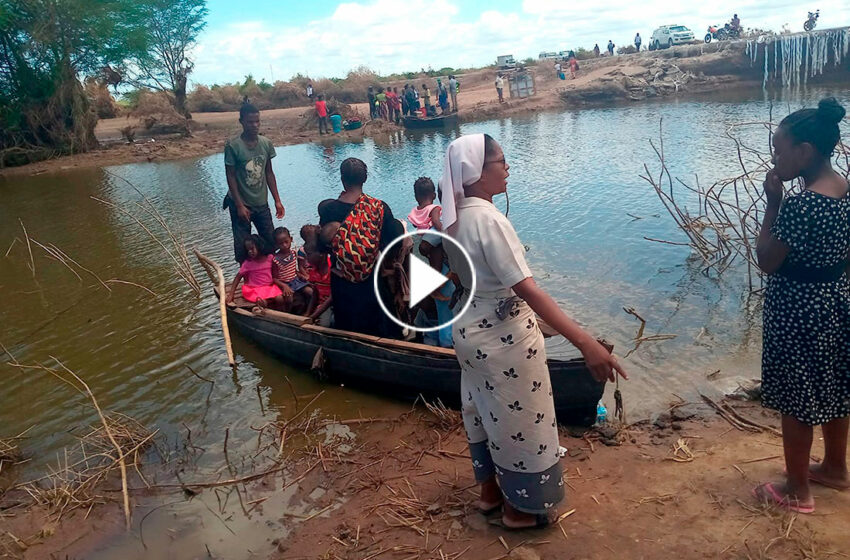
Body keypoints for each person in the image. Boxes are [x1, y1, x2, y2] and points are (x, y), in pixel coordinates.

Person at [439, 134, 627, 529]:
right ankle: (520, 509)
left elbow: (462, 277)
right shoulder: (490, 219)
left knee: (482, 410)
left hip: (469, 331)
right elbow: (527, 290)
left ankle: (490, 494)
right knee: (521, 419)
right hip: (505, 340)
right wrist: (585, 342)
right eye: (500, 162)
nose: (507, 168)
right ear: (475, 172)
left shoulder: (452, 217)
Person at [753, 98, 850, 514]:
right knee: (834, 387)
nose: (775, 156)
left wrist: (773, 203)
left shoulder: (801, 204)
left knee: (797, 401)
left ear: (805, 152)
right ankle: (834, 468)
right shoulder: (844, 189)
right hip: (835, 302)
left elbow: (768, 261)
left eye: (779, 148)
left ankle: (797, 491)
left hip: (797, 311)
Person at [317, 158, 403, 337]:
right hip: (372, 278)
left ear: (342, 179)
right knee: (380, 326)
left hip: (343, 281)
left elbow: (323, 246)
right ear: (364, 179)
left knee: (349, 329)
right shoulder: (379, 207)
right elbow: (394, 240)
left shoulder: (329, 210)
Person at [223, 103, 284, 264]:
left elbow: (269, 173)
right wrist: (239, 205)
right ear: (241, 122)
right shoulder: (233, 146)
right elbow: (230, 176)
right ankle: (247, 280)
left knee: (271, 242)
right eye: (250, 122)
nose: (254, 125)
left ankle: (270, 276)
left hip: (261, 202)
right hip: (240, 203)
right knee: (243, 245)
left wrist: (277, 200)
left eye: (257, 121)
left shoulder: (265, 143)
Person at [226, 234, 286, 309]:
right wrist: (231, 294)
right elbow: (238, 277)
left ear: (259, 246)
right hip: (254, 289)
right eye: (248, 250)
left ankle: (282, 313)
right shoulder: (248, 263)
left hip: (269, 287)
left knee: (280, 299)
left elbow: (278, 270)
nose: (250, 252)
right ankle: (267, 316)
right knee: (262, 302)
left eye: (252, 249)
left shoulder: (270, 258)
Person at [272, 227, 313, 314]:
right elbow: (274, 278)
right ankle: (288, 314)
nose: (284, 245)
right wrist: (284, 286)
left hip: (295, 281)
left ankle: (309, 311)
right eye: (281, 244)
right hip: (284, 283)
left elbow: (294, 270)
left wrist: (301, 275)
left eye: (286, 242)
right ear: (276, 244)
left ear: (291, 239)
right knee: (289, 298)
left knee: (310, 291)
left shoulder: (293, 253)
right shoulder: (275, 259)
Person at [305, 245, 333, 327]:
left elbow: (332, 298)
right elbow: (315, 293)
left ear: (321, 254)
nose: (307, 258)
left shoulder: (333, 270)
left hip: (332, 305)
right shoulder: (313, 270)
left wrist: (313, 317)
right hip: (321, 305)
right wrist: (308, 313)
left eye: (309, 254)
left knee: (324, 324)